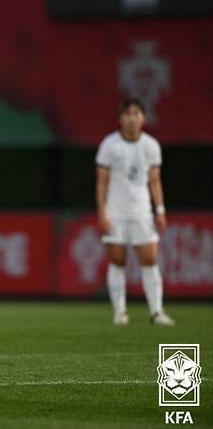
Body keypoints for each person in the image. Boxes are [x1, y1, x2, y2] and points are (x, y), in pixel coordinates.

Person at [95, 98, 174, 326]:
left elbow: (155, 180)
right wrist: (102, 212)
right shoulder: (109, 145)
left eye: (137, 113)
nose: (132, 118)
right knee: (117, 260)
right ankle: (120, 312)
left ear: (143, 118)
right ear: (120, 118)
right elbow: (101, 182)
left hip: (142, 211)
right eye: (128, 113)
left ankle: (156, 312)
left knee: (150, 259)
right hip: (116, 211)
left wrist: (160, 210)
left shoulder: (151, 145)